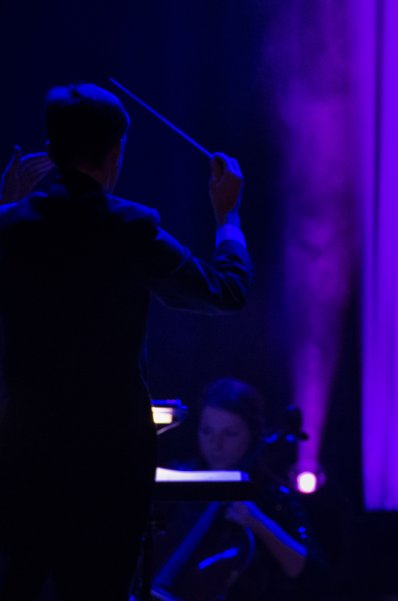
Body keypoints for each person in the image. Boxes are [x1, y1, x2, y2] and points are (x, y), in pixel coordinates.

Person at [0, 83, 252, 601]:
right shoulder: (129, 228)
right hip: (109, 467)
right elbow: (226, 291)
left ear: (50, 149)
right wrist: (228, 217)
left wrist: (8, 205)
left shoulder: (10, 227)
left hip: (23, 459)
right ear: (117, 152)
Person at [153, 377, 326, 601]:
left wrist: (257, 521)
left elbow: (312, 575)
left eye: (230, 433)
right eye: (207, 431)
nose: (215, 444)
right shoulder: (180, 479)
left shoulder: (270, 495)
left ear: (252, 435)